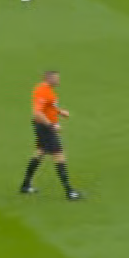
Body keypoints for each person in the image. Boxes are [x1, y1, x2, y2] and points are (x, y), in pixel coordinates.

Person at [22, 70, 83, 200]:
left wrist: (60, 112)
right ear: (49, 79)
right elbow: (38, 113)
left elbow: (49, 106)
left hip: (43, 127)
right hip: (45, 128)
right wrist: (51, 126)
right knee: (59, 155)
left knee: (40, 152)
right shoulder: (42, 91)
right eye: (56, 79)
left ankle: (25, 185)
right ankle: (70, 192)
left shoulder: (48, 90)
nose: (58, 81)